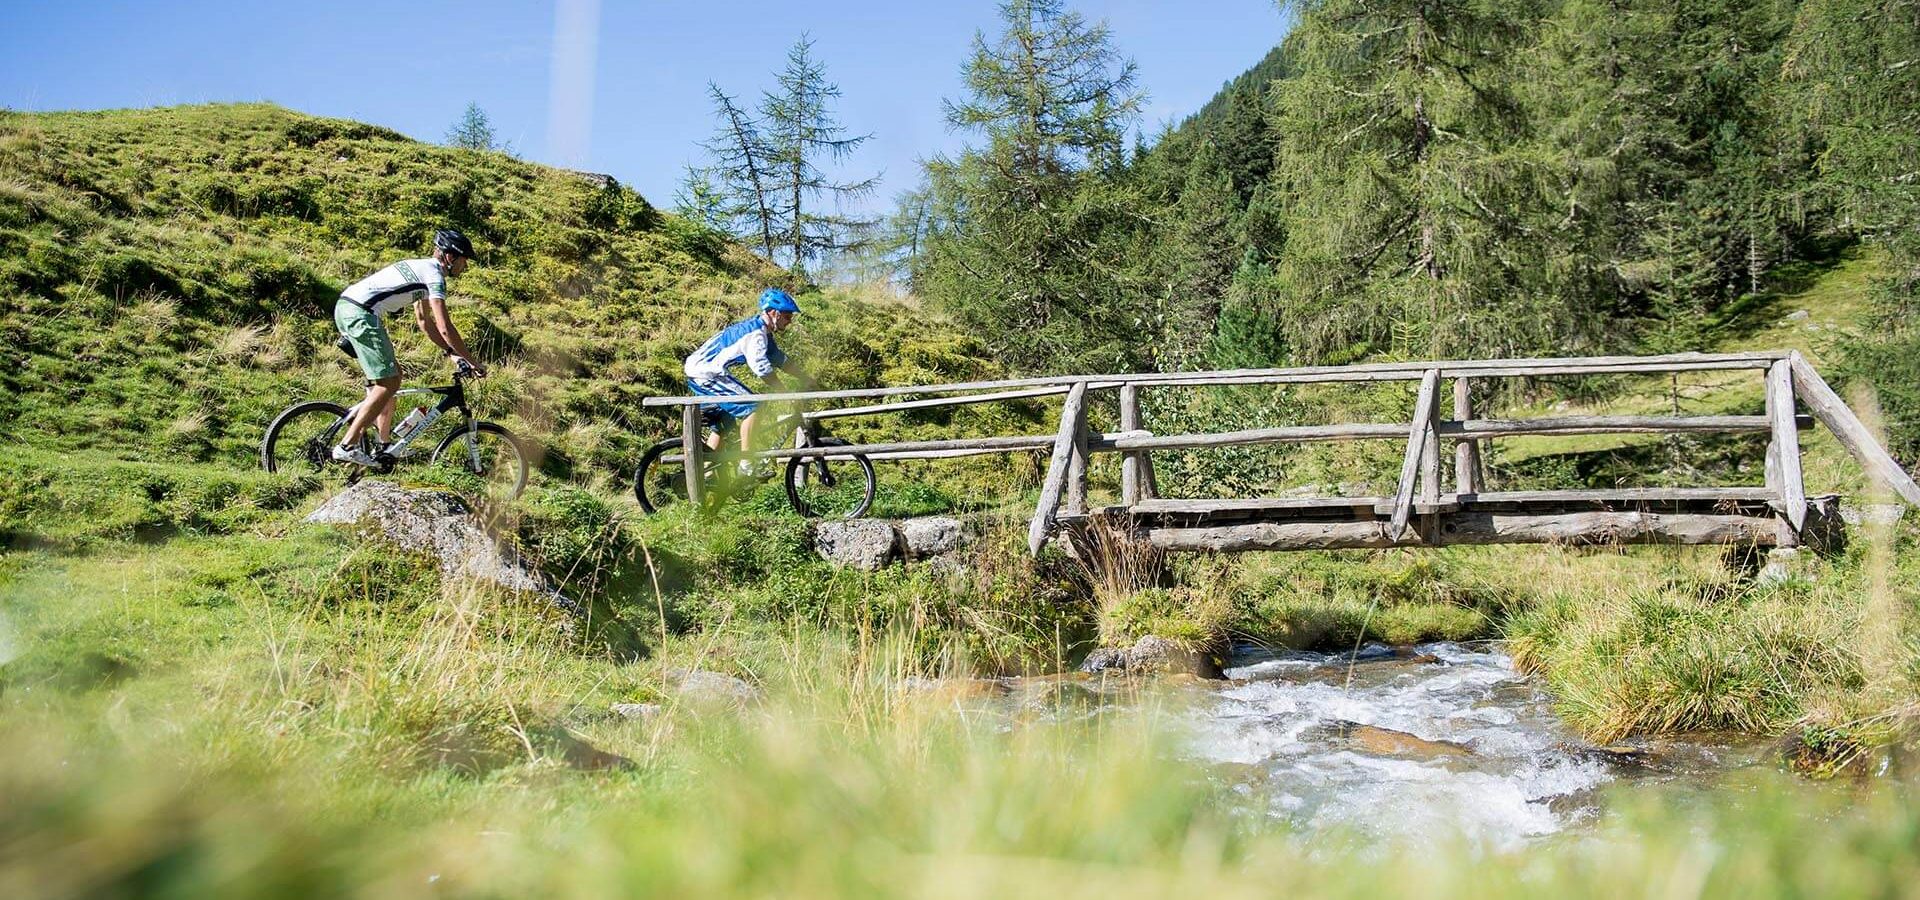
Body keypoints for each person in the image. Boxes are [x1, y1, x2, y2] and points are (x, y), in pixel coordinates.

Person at [331, 229, 487, 466]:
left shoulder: (423, 269)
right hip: (361, 313)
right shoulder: (434, 276)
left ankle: (383, 447)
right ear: (450, 257)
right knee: (389, 382)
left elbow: (425, 322)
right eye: (464, 260)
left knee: (391, 379)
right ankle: (347, 445)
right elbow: (444, 326)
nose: (464, 267)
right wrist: (474, 361)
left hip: (349, 308)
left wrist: (452, 354)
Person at [684, 287, 805, 475]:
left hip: (702, 370)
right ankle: (747, 466)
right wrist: (783, 391)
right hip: (705, 373)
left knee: (723, 425)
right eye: (788, 316)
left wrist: (806, 378)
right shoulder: (756, 334)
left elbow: (780, 359)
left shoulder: (762, 332)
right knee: (753, 406)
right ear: (773, 313)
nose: (790, 321)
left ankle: (705, 476)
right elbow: (761, 368)